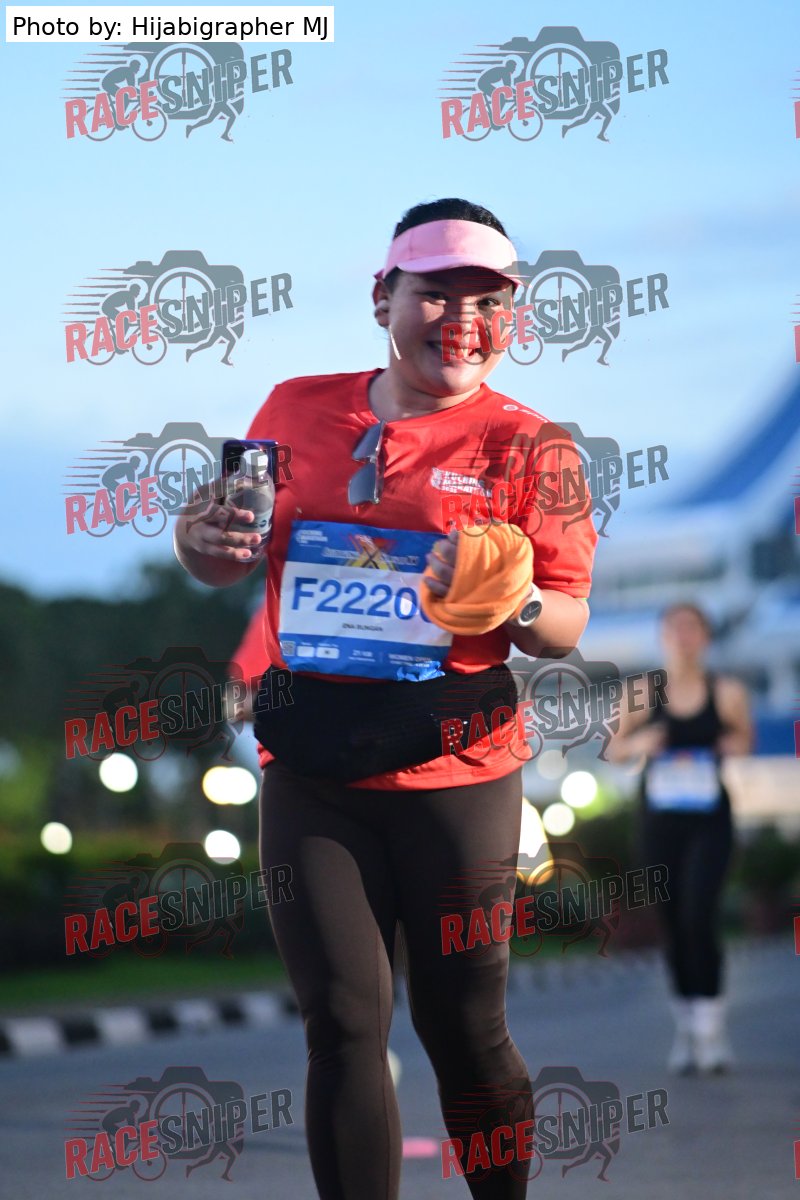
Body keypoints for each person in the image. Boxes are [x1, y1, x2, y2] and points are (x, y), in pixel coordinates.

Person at [174, 197, 597, 1198]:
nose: (463, 321)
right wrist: (199, 542)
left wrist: (514, 599)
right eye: (436, 295)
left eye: (487, 301)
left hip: (457, 770)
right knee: (342, 1024)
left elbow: (567, 621)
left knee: (462, 1026)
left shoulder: (534, 448)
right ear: (382, 299)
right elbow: (227, 558)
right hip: (313, 764)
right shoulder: (292, 410)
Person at [608, 603, 752, 1074]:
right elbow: (613, 749)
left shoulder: (726, 691)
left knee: (699, 915)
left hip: (709, 820)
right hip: (659, 821)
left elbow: (744, 740)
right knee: (671, 921)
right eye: (675, 627)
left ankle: (711, 1032)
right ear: (662, 635)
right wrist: (641, 743)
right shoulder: (641, 691)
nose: (684, 636)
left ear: (706, 636)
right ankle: (687, 1029)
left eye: (693, 627)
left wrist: (729, 744)